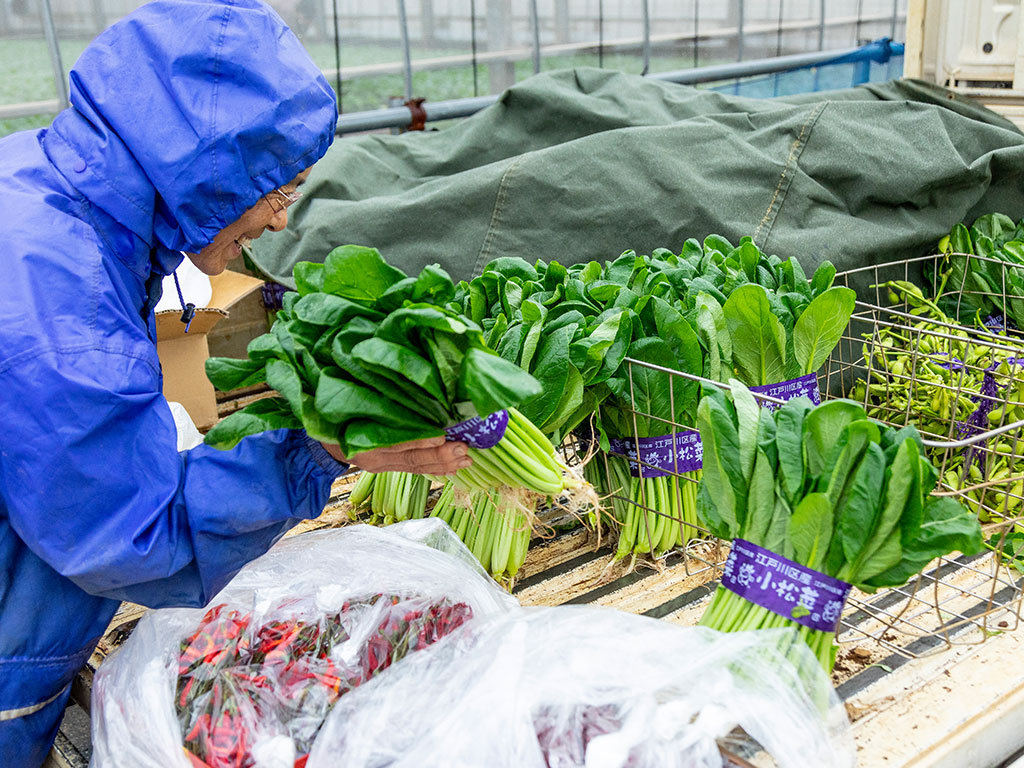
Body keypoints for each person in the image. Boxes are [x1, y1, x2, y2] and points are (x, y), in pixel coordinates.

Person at [0, 0, 470, 763]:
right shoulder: (66, 311)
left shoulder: (38, 184)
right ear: (204, 173)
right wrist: (317, 454)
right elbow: (134, 537)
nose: (283, 223)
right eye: (278, 191)